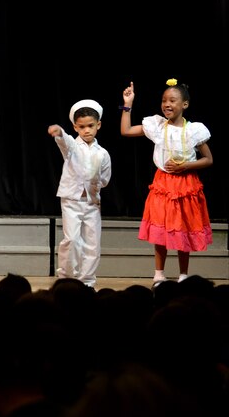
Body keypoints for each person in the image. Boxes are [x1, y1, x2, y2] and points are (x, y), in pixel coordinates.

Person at [120, 79, 213, 285]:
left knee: (184, 228)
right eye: (164, 100)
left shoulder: (193, 130)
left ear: (184, 105)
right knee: (161, 228)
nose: (167, 104)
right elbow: (126, 131)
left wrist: (185, 166)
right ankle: (159, 273)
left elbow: (208, 159)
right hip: (163, 183)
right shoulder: (157, 126)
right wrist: (128, 104)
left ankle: (183, 275)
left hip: (186, 183)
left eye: (172, 100)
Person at [48, 99, 111, 288]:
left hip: (92, 203)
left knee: (92, 243)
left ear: (98, 125)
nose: (87, 131)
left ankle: (87, 282)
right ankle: (66, 278)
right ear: (75, 127)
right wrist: (59, 132)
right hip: (71, 201)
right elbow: (65, 141)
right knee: (72, 240)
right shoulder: (72, 148)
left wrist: (95, 182)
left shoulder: (103, 153)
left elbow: (105, 179)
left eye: (90, 126)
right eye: (82, 127)